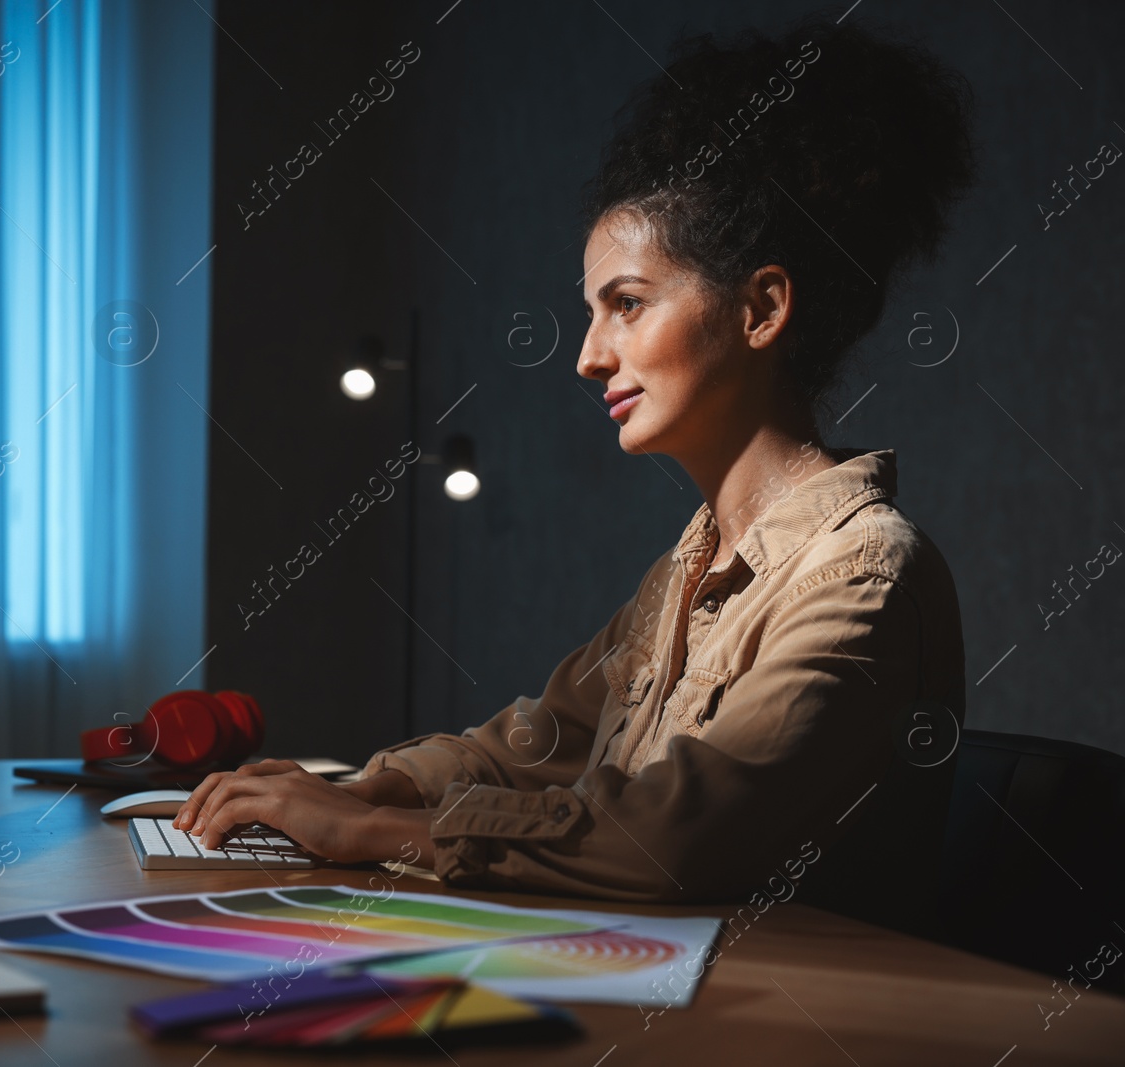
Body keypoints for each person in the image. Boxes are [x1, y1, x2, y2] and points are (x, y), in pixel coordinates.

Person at [175, 14, 979, 937]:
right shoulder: (685, 571)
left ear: (761, 308)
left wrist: (369, 826)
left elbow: (673, 838)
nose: (590, 356)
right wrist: (363, 783)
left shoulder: (866, 575)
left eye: (627, 305)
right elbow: (530, 746)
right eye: (593, 313)